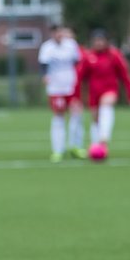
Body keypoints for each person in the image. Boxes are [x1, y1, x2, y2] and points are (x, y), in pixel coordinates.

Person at [75, 28, 130, 155]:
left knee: (106, 105)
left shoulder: (114, 55)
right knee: (95, 118)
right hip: (94, 92)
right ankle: (96, 146)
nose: (99, 43)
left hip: (110, 90)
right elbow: (80, 77)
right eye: (96, 40)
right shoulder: (88, 57)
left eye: (101, 40)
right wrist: (77, 96)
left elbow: (125, 75)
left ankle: (103, 140)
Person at [37, 25, 84, 161]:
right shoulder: (47, 48)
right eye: (56, 32)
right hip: (56, 88)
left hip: (71, 85)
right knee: (59, 116)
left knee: (76, 115)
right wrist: (45, 76)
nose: (59, 35)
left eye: (60, 32)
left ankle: (76, 146)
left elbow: (77, 61)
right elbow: (43, 65)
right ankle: (58, 149)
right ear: (52, 34)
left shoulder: (71, 45)